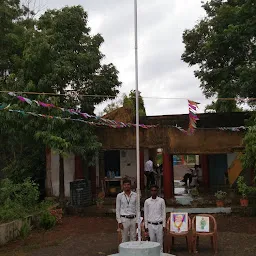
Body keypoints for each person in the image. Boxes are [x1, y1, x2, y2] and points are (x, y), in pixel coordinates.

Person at [144, 185, 166, 252]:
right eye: (152, 190)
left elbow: (163, 213)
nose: (153, 192)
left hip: (159, 224)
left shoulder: (161, 201)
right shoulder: (147, 201)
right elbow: (146, 214)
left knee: (160, 242)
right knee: (152, 242)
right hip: (151, 224)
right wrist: (146, 226)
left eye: (155, 190)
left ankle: (160, 254)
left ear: (157, 192)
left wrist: (164, 225)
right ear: (150, 192)